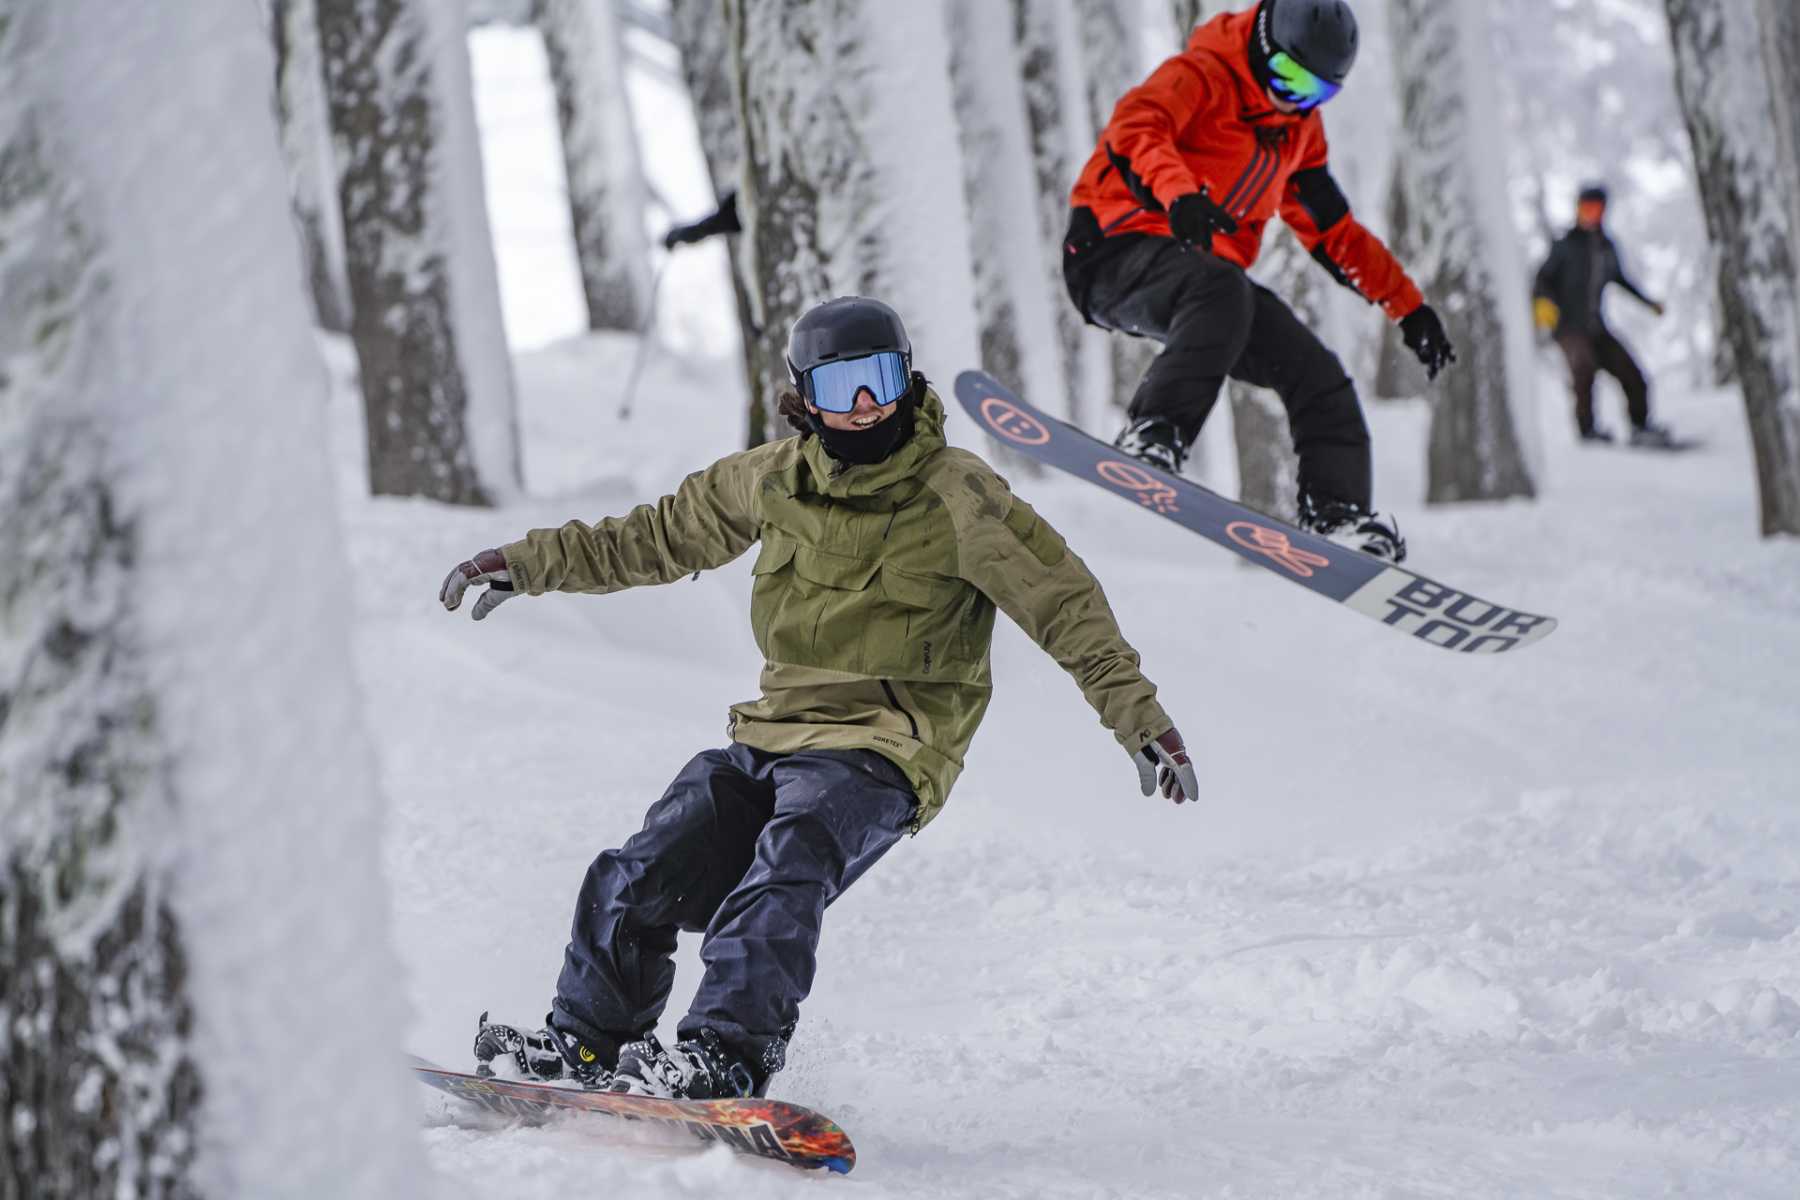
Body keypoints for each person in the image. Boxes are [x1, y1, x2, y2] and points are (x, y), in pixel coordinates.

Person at [438, 297, 1197, 1101]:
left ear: (907, 380)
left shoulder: (958, 495)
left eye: (880, 382)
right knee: (645, 864)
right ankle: (587, 1041)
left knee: (790, 856)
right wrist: (527, 563)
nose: (866, 407)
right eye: (843, 389)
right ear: (806, 398)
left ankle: (727, 1053)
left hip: (889, 745)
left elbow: (1064, 605)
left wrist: (1139, 721)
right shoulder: (771, 480)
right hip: (772, 734)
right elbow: (650, 537)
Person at [1063, 0, 1454, 564]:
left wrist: (1408, 307)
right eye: (1289, 78)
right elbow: (1137, 129)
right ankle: (1153, 432)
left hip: (1205, 286)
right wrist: (1178, 195)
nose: (1293, 99)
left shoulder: (1297, 134)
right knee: (1224, 287)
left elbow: (1334, 232)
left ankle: (1337, 517)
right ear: (1264, 46)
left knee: (1317, 376)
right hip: (1111, 249)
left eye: (1315, 93)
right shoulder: (1200, 75)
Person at [1533, 184, 1674, 447]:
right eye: (1586, 209)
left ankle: (1640, 426)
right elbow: (1543, 279)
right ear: (1577, 210)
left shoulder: (1606, 248)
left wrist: (1648, 303)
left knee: (1630, 370)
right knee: (1583, 367)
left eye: (1596, 209)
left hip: (1596, 326)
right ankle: (1587, 431)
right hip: (1568, 327)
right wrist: (1544, 306)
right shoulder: (1565, 246)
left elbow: (1620, 279)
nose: (1591, 214)